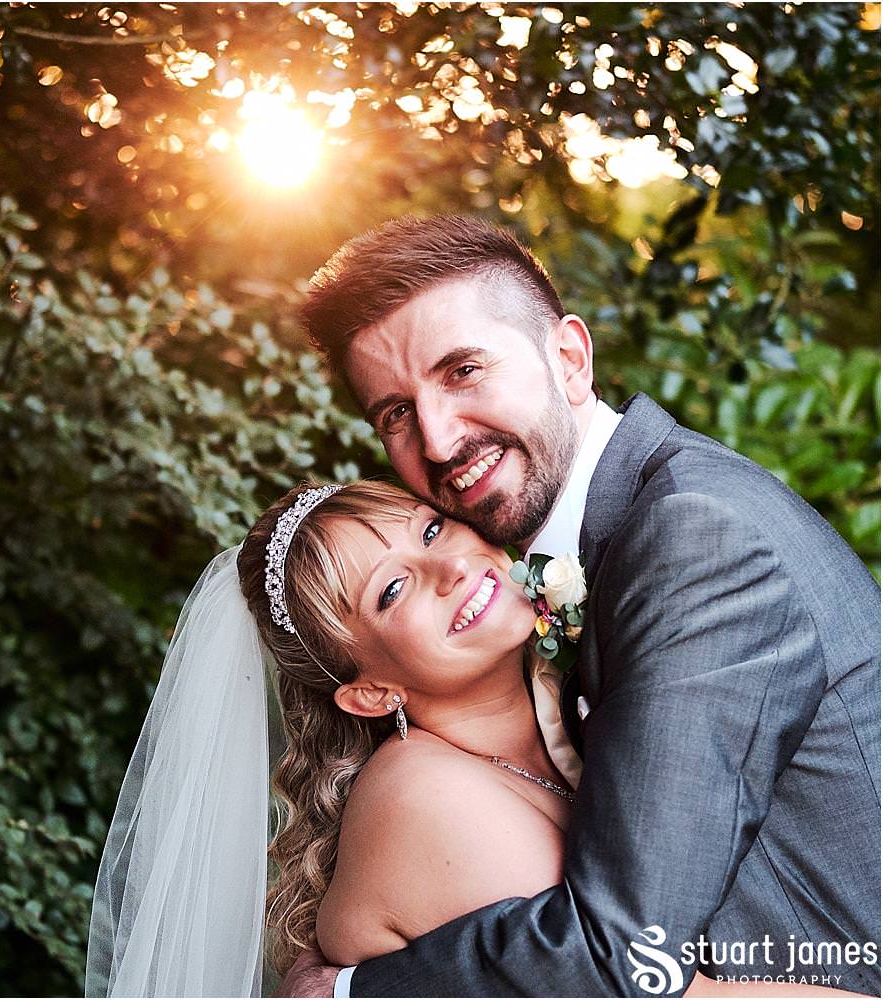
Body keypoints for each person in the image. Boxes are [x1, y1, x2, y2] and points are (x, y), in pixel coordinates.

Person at [275, 215, 881, 997]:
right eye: (395, 412)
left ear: (568, 358)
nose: (436, 439)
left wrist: (351, 991)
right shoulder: (607, 537)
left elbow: (623, 952)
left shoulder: (693, 536)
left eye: (462, 371)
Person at [85, 479, 866, 998]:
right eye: (391, 590)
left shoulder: (578, 701)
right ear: (369, 691)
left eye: (430, 528)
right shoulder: (422, 795)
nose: (448, 568)